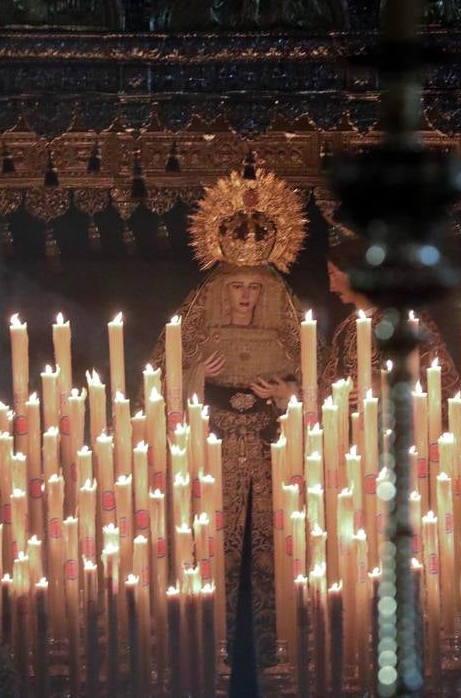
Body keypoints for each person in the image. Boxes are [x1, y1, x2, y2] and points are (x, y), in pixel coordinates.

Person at [152, 169, 307, 673]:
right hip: (212, 455)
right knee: (212, 546)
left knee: (271, 548)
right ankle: (212, 643)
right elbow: (159, 382)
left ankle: (270, 644)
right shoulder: (197, 327)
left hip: (269, 456)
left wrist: (287, 396)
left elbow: (320, 388)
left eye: (254, 288)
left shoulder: (287, 331)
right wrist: (196, 377)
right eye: (237, 287)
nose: (245, 297)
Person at [321, 230, 460, 405]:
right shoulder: (344, 330)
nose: (331, 287)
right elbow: (328, 386)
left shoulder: (406, 320)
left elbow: (440, 379)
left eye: (333, 274)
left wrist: (387, 385)